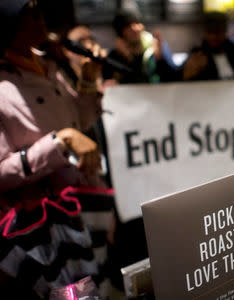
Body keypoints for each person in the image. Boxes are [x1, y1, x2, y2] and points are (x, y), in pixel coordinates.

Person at [0, 0, 106, 298]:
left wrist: (87, 80)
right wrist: (60, 141)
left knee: (96, 289)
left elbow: (79, 121)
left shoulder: (48, 67)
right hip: (46, 229)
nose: (40, 18)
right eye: (28, 13)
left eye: (39, 9)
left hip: (83, 206)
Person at [103, 9, 177, 84]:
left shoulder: (156, 46)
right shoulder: (116, 55)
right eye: (128, 26)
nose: (135, 28)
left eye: (137, 23)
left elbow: (174, 77)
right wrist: (127, 57)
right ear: (121, 32)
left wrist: (160, 59)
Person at [182, 12, 234, 82]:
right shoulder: (198, 54)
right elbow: (182, 77)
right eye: (210, 32)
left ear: (225, 31)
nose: (214, 37)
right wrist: (187, 75)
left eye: (218, 32)